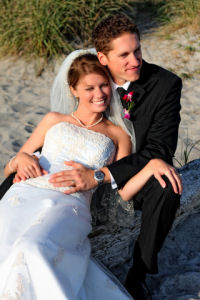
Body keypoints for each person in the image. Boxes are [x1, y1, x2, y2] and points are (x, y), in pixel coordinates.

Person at [0, 50, 178, 299]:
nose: (99, 94)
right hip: (26, 193)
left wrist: (150, 166)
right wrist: (18, 159)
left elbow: (121, 192)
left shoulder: (118, 135)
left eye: (104, 85)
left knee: (33, 247)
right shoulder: (53, 119)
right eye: (89, 88)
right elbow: (13, 166)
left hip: (68, 204)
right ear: (73, 89)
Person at [43, 15, 182, 300]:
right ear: (103, 58)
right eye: (124, 55)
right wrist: (24, 158)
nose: (135, 61)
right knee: (19, 178)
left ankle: (139, 274)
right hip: (81, 165)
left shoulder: (165, 85)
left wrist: (99, 176)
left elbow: (158, 151)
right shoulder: (91, 78)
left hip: (132, 175)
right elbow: (65, 127)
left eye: (138, 50)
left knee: (167, 186)